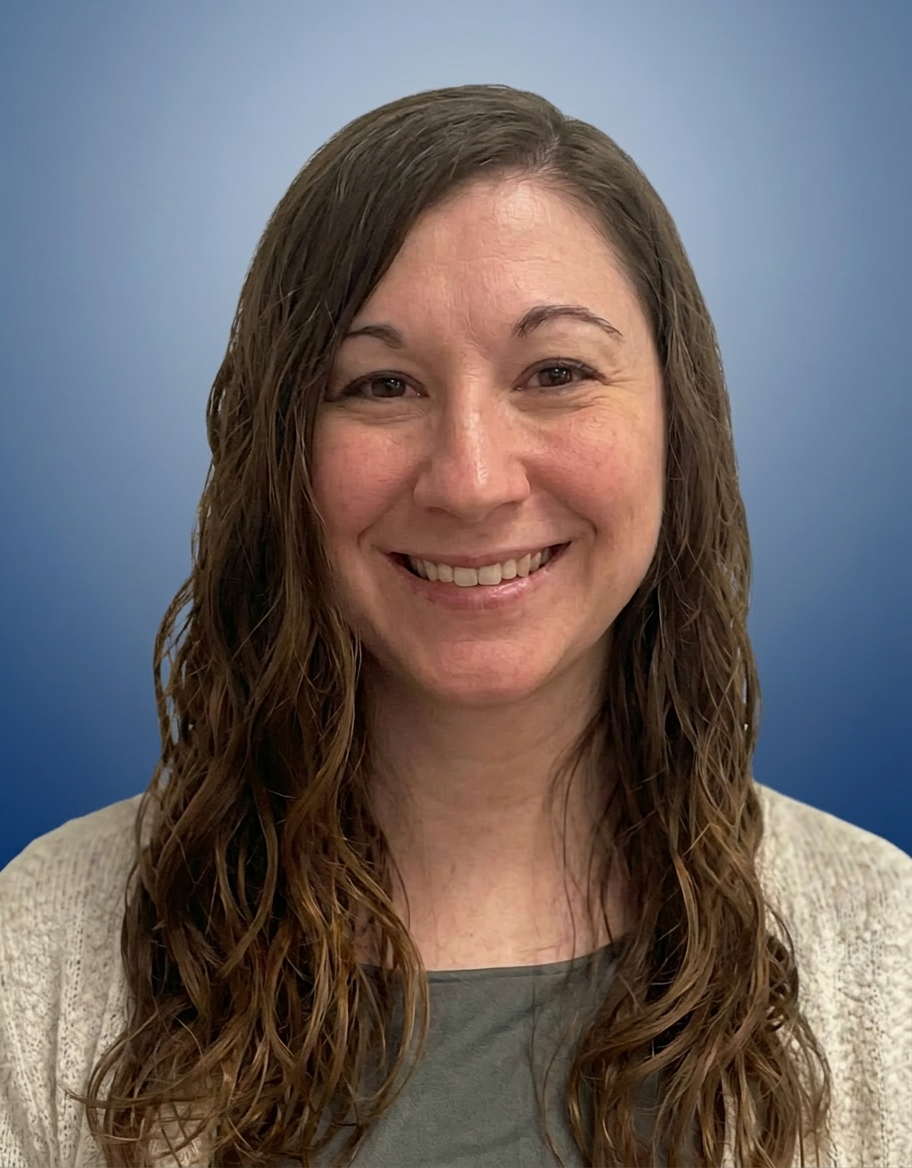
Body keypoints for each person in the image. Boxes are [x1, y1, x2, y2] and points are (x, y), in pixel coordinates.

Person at [1, 84, 909, 1168]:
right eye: (381, 384)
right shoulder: (37, 948)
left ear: (679, 421)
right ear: (279, 454)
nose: (471, 480)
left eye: (557, 373)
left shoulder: (887, 945)